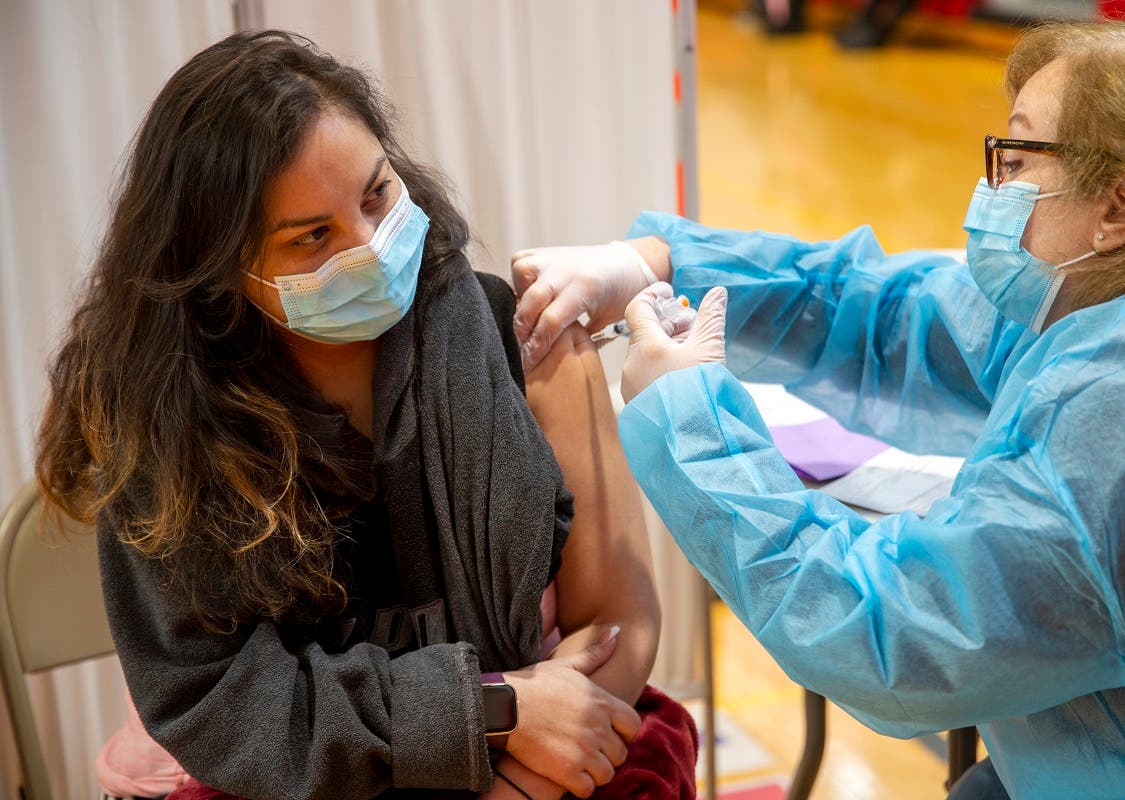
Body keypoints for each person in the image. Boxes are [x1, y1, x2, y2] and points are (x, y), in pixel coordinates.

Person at [511, 20, 1125, 800]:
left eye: (1015, 159)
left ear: (1121, 207)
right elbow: (888, 314)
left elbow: (892, 637)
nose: (991, 190)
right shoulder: (1122, 308)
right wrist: (661, 263)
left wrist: (691, 422)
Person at [35, 30, 697, 800]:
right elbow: (224, 706)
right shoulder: (164, 429)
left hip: (539, 753)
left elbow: (620, 622)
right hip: (286, 776)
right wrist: (492, 708)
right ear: (218, 270)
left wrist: (514, 787)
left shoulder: (528, 336)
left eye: (377, 195)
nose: (371, 247)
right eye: (313, 237)